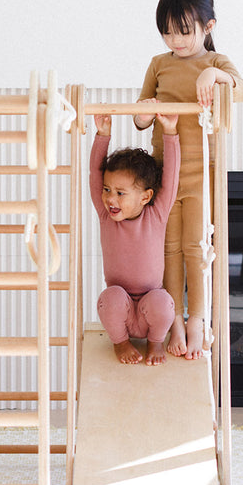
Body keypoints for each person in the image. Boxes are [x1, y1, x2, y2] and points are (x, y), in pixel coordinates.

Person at [134, 0, 243, 359]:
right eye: (168, 32)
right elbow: (138, 119)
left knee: (197, 249)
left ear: (208, 26)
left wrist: (213, 76)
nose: (176, 41)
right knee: (167, 250)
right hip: (163, 172)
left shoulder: (216, 62)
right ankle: (174, 321)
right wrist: (146, 110)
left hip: (203, 174)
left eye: (184, 31)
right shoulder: (158, 64)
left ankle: (197, 321)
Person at [91, 110, 180, 366]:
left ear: (145, 197)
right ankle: (121, 343)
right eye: (108, 190)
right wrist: (103, 135)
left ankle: (156, 343)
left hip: (151, 304)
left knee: (164, 303)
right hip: (122, 310)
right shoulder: (106, 215)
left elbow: (171, 178)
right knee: (110, 297)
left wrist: (170, 132)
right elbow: (95, 174)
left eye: (120, 193)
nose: (110, 198)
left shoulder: (157, 214)